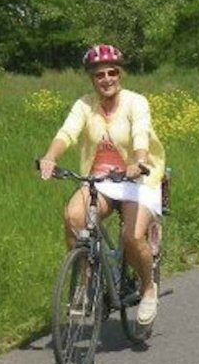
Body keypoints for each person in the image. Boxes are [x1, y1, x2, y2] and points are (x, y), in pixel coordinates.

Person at [37, 44, 166, 326]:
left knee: (132, 238)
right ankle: (86, 285)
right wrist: (50, 156)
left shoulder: (136, 102)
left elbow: (140, 133)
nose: (106, 79)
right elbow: (67, 133)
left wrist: (140, 160)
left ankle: (147, 288)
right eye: (99, 75)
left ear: (120, 74)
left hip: (139, 178)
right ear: (91, 79)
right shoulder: (84, 105)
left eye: (112, 73)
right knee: (73, 217)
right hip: (101, 179)